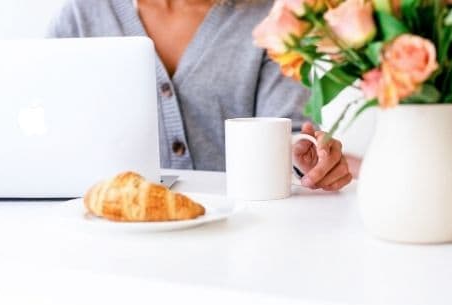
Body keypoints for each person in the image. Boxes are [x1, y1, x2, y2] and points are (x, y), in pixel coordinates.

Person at [48, 0, 353, 191]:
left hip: (238, 230)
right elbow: (43, 120)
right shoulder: (81, 14)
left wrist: (306, 158)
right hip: (109, 226)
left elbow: (287, 133)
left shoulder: (273, 19)